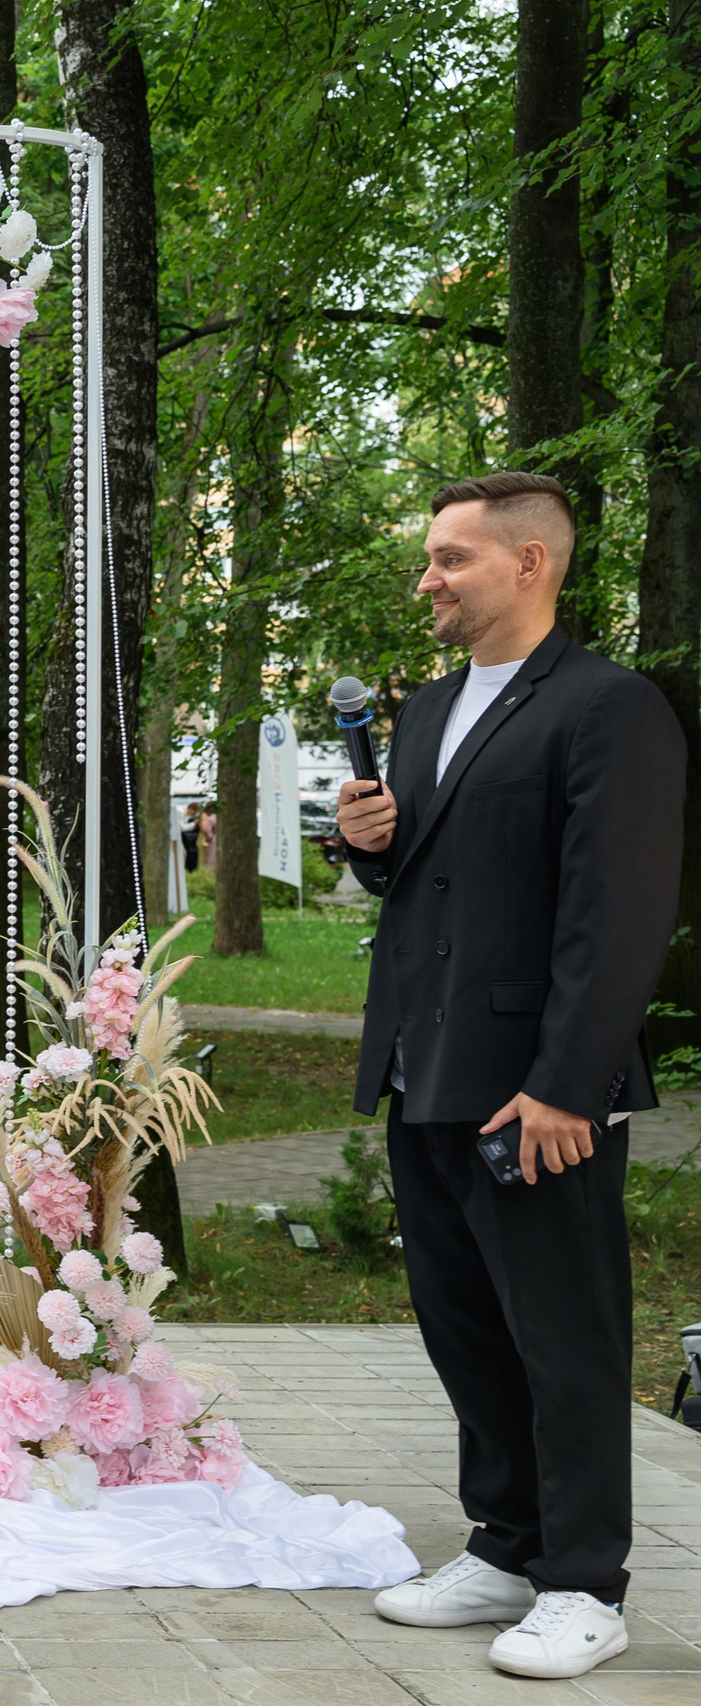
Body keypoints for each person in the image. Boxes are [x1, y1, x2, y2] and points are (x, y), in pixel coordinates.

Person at [336, 472, 683, 1680]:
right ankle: (504, 1543)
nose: (426, 578)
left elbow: (616, 909)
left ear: (529, 562)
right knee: (464, 1326)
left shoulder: (608, 706)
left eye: (450, 557)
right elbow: (438, 879)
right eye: (429, 557)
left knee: (563, 1339)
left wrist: (569, 1082)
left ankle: (585, 1583)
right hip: (422, 1067)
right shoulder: (430, 708)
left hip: (535, 1089)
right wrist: (367, 847)